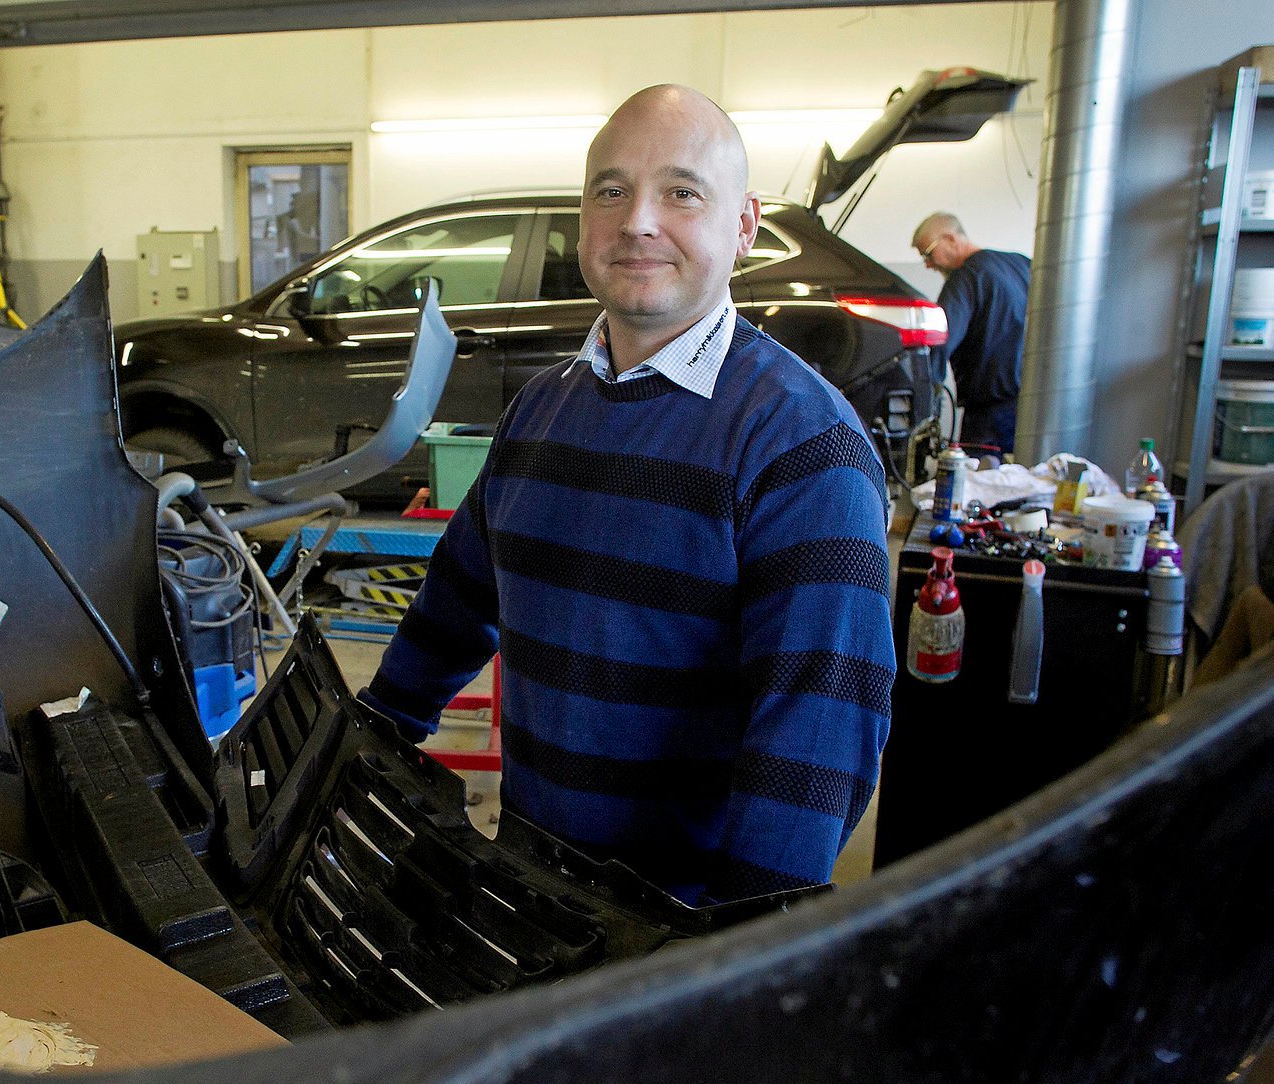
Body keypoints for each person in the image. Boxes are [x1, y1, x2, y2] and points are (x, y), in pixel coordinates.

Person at [360, 85, 895, 905]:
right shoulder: (539, 409)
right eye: (610, 191)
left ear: (744, 226)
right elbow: (458, 601)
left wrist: (736, 947)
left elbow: (816, 732)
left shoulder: (801, 443)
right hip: (534, 889)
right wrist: (373, 735)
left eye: (682, 192)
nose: (638, 220)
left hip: (674, 922)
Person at [911, 212, 1032, 455]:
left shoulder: (965, 278)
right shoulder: (1021, 264)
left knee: (978, 474)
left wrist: (925, 396)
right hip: (1029, 405)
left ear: (950, 239)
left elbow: (941, 341)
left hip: (989, 414)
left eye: (928, 254)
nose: (928, 264)